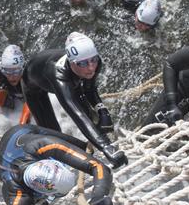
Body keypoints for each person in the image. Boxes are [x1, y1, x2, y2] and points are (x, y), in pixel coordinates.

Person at [22, 32, 127, 169]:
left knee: (97, 119)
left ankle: (91, 146)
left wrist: (103, 111)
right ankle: (54, 167)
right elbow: (77, 115)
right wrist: (106, 146)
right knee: (55, 135)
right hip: (34, 88)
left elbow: (89, 90)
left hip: (72, 77)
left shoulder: (94, 62)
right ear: (71, 62)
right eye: (83, 63)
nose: (90, 68)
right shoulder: (59, 75)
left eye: (93, 60)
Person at [0, 44, 32, 135]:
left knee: (29, 115)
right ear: (2, 69)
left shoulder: (29, 72)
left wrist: (21, 126)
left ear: (22, 68)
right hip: (8, 93)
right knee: (0, 91)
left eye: (16, 72)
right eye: (8, 72)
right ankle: (0, 111)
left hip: (26, 94)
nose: (12, 77)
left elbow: (30, 101)